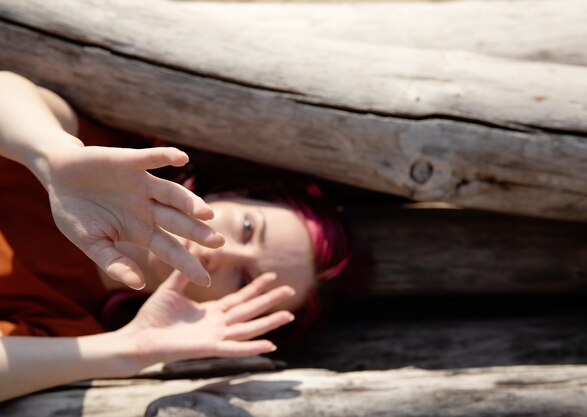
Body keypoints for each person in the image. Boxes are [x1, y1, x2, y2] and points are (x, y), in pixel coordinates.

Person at [0, 71, 349, 401]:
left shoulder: (75, 332)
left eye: (243, 281)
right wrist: (51, 154)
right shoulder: (109, 168)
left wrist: (131, 349)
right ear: (233, 192)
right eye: (247, 228)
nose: (222, 252)